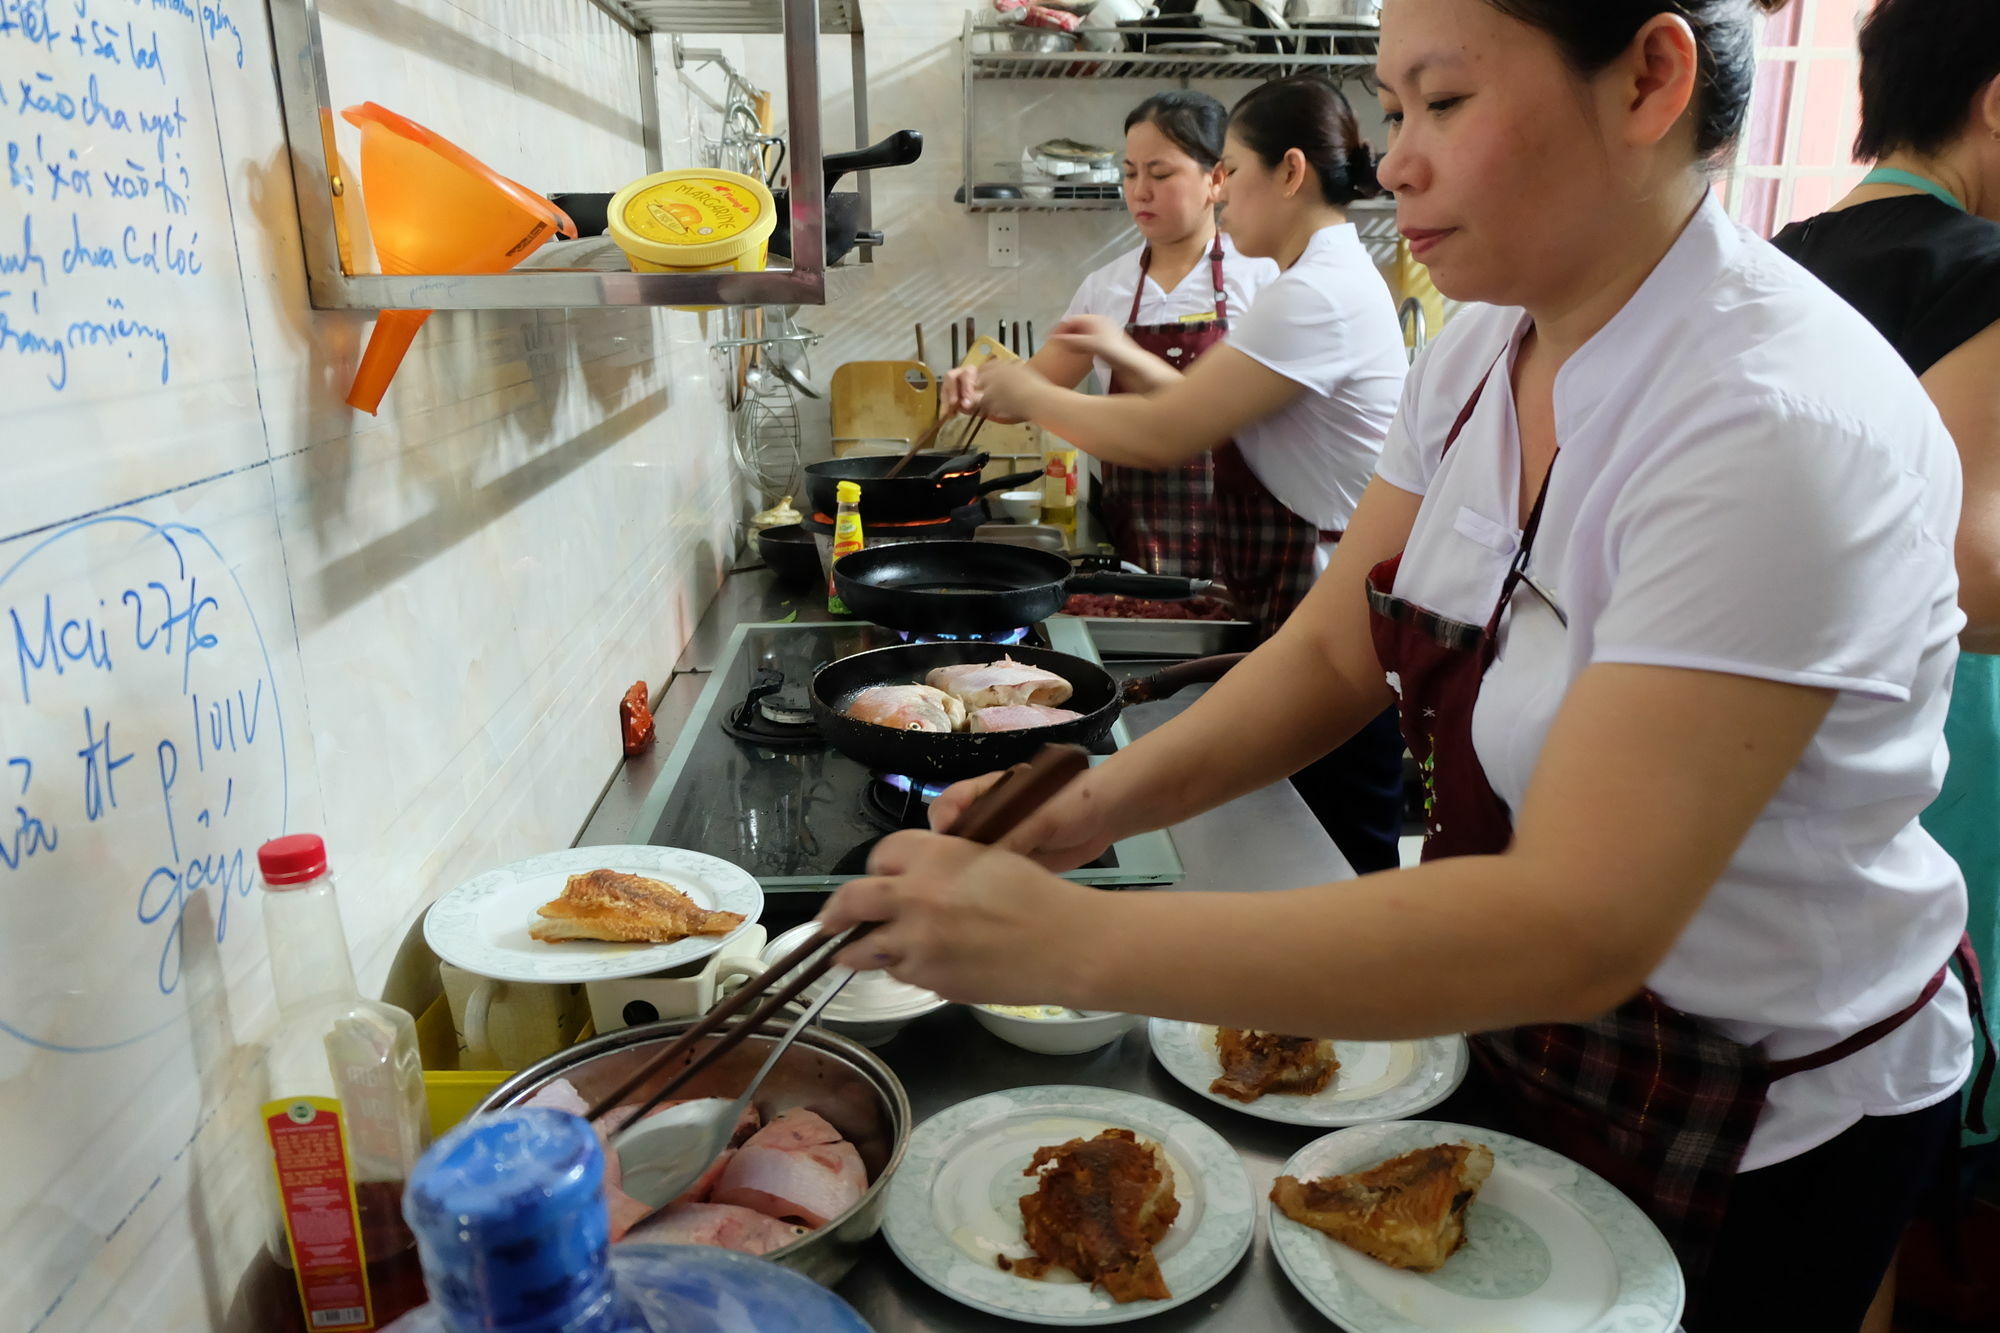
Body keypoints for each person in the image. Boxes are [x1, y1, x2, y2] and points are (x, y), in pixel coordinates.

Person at [823, 3, 1990, 1329]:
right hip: (1532, 1025)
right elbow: (1335, 643)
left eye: (1443, 103)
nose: (1396, 159)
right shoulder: (1485, 347)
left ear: (1650, 80)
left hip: (1751, 1104)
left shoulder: (1776, 420)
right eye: (1389, 108)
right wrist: (1074, 810)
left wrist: (1080, 940)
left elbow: (1581, 921)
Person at [955, 74, 1413, 875]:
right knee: (1304, 841)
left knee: (1339, 844)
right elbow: (1214, 405)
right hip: (1301, 594)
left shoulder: (1309, 292)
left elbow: (1172, 430)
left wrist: (1030, 391)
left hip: (1337, 594)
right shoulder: (1318, 279)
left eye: (1229, 168)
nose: (1222, 188)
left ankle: (1363, 988)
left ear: (1292, 172)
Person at [1772, 0, 2000, 1155]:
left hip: (1780, 714)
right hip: (1928, 724)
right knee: (1893, 1060)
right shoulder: (1981, 270)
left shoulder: (1784, 256)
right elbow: (1963, 562)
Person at [945, 92, 1279, 580]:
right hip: (1134, 547)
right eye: (1129, 173)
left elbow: (1246, 425)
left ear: (1216, 178)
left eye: (1160, 174)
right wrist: (974, 385)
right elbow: (1029, 393)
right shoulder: (1107, 288)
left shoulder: (1263, 279)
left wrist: (1121, 353)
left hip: (1247, 543)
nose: (1140, 191)